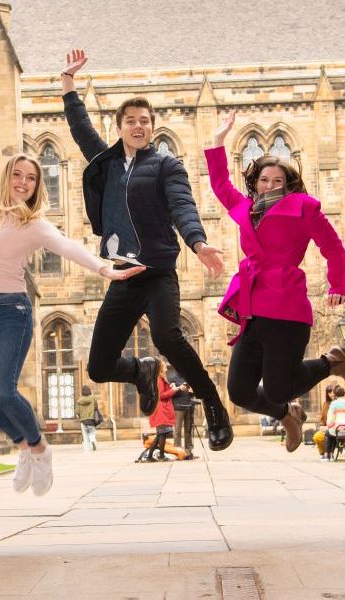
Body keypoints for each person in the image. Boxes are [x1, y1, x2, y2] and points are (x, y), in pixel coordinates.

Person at [0, 91, 144, 496]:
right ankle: (25, 445)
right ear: (8, 176)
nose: (24, 183)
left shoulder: (37, 225)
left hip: (12, 311)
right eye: (18, 175)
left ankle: (41, 449)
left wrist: (105, 270)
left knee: (1, 390)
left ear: (36, 185)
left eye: (31, 179)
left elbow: (70, 247)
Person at [59, 48, 235, 451]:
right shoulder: (105, 163)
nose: (138, 126)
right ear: (120, 127)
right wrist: (68, 84)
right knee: (100, 366)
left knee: (167, 334)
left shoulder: (166, 165)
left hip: (157, 272)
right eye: (130, 121)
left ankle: (213, 403)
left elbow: (182, 206)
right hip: (123, 274)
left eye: (144, 121)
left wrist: (198, 242)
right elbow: (80, 127)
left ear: (151, 128)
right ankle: (142, 370)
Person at [205, 111, 345, 455]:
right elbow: (220, 186)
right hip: (251, 308)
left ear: (288, 183)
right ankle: (288, 416)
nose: (270, 185)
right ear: (255, 182)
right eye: (264, 179)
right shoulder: (245, 209)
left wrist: (339, 283)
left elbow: (332, 246)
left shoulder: (304, 208)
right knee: (240, 391)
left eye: (277, 180)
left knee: (277, 387)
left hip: (286, 308)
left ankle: (331, 363)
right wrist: (217, 141)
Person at [140, 359, 177, 462]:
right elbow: (161, 395)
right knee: (161, 434)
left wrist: (171, 388)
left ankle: (150, 456)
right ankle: (159, 456)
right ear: (160, 368)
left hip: (161, 410)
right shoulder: (159, 380)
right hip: (161, 410)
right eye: (165, 366)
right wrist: (173, 391)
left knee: (161, 434)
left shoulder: (160, 379)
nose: (166, 368)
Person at [167, 366, 198, 459]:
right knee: (177, 430)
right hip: (178, 406)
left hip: (188, 405)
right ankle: (178, 452)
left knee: (188, 429)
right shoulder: (171, 377)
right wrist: (180, 388)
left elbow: (194, 392)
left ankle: (188, 452)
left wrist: (192, 391)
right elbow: (169, 392)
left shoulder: (187, 377)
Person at [322, 385, 345, 462]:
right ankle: (331, 454)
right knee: (333, 432)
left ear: (335, 394)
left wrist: (328, 426)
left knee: (328, 433)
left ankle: (327, 455)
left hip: (341, 430)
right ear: (344, 393)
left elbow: (330, 420)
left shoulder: (334, 403)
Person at [76, 385, 99, 452]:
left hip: (83, 420)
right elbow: (96, 407)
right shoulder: (93, 399)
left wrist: (79, 415)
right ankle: (92, 441)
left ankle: (86, 450)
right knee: (92, 433)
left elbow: (77, 412)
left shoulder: (79, 401)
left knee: (85, 436)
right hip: (91, 419)